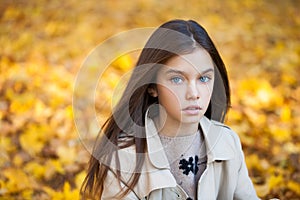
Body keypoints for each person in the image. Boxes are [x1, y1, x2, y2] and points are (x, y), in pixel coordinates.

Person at [81, 19, 259, 200]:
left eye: (204, 78)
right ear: (152, 86)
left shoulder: (227, 142)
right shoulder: (124, 157)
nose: (194, 93)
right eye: (177, 79)